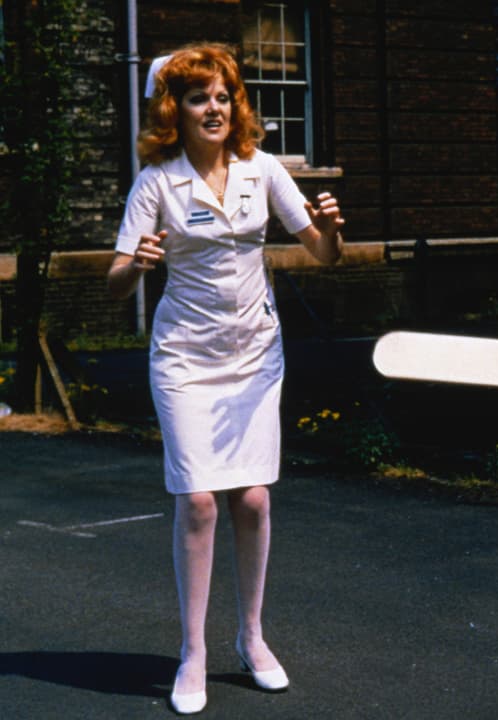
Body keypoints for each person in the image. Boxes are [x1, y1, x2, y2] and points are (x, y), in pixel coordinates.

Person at [106, 43, 344, 715]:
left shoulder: (261, 168)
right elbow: (115, 278)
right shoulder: (157, 182)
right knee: (200, 501)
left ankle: (251, 636)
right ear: (173, 110)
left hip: (254, 357)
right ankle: (193, 652)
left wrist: (330, 229)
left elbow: (323, 253)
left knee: (255, 500)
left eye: (222, 96)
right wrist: (139, 263)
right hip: (185, 359)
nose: (213, 108)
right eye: (197, 98)